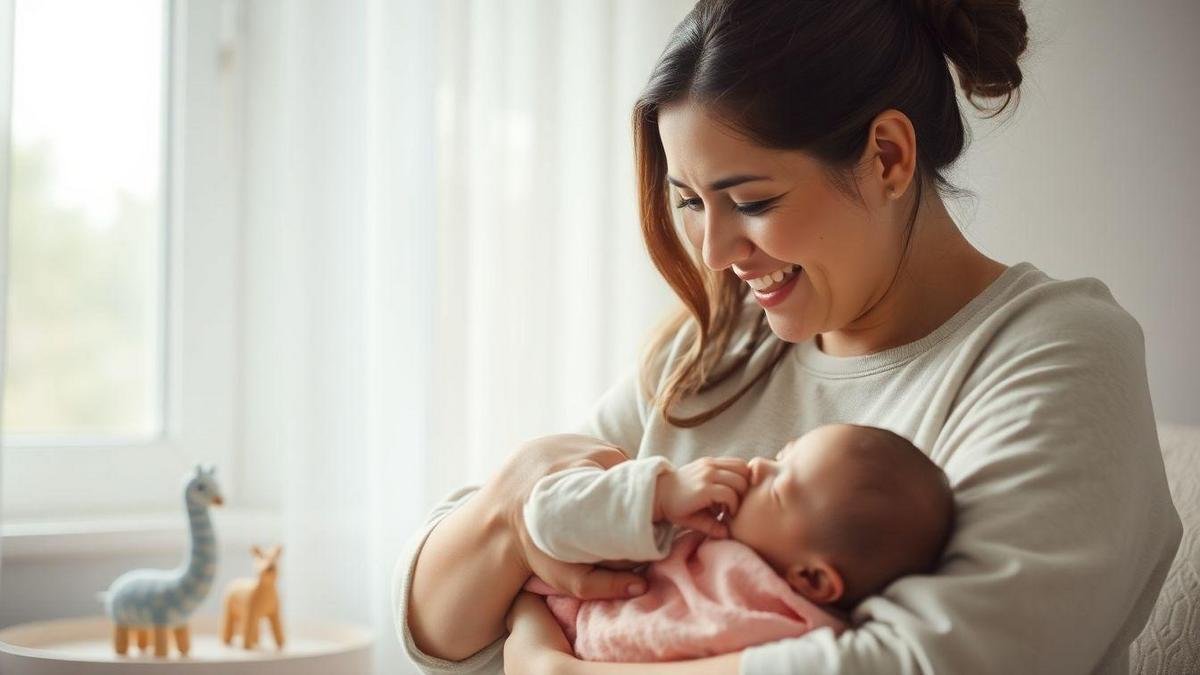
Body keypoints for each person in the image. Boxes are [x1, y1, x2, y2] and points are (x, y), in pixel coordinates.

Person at [393, 0, 1183, 673]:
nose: (714, 255)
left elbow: (920, 662)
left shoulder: (1055, 355)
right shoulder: (716, 352)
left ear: (887, 156)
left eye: (752, 200)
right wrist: (508, 501)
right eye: (691, 202)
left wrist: (546, 658)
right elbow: (438, 627)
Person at [519, 423, 955, 662]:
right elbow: (544, 517)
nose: (760, 466)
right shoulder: (687, 519)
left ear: (813, 579)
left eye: (782, 488)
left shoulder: (802, 646)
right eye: (781, 457)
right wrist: (659, 497)